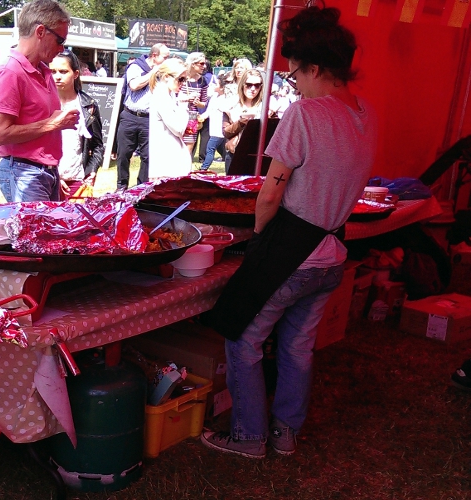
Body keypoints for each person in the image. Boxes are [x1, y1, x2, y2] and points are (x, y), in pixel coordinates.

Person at [201, 5, 377, 459]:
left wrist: (258, 240)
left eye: (295, 71)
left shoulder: (306, 113)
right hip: (334, 251)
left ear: (315, 67)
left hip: (293, 253)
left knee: (243, 340)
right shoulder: (365, 113)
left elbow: (269, 194)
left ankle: (249, 436)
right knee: (298, 347)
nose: (293, 80)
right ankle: (285, 433)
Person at [0, 0, 79, 203]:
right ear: (40, 31)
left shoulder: (44, 71)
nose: (62, 48)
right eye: (59, 41)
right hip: (24, 172)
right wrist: (53, 124)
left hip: (44, 172)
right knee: (35, 235)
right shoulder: (10, 72)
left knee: (48, 234)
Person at [49, 50, 104, 198]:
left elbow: (98, 145)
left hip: (78, 180)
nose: (57, 76)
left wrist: (92, 170)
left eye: (63, 71)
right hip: (49, 179)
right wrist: (54, 174)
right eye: (53, 71)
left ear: (76, 73)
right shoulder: (44, 104)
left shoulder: (89, 105)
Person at [115, 43, 170, 190]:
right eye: (165, 57)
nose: (167, 60)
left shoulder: (164, 72)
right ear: (154, 56)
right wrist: (154, 72)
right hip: (130, 116)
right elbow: (134, 85)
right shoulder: (136, 66)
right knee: (124, 154)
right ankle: (121, 186)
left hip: (149, 119)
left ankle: (142, 188)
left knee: (148, 156)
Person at [148, 58, 192, 180]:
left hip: (171, 164)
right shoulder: (161, 96)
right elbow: (178, 129)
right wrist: (184, 106)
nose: (183, 83)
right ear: (167, 76)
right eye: (180, 79)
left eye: (185, 79)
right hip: (166, 166)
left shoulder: (169, 95)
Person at [222, 67, 264, 173]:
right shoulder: (230, 105)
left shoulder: (267, 106)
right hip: (235, 154)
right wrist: (241, 122)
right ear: (242, 85)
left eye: (257, 85)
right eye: (249, 85)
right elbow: (226, 132)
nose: (253, 89)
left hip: (258, 156)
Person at [180, 52, 209, 158]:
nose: (204, 66)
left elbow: (204, 103)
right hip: (179, 113)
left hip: (192, 116)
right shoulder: (181, 77)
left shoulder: (202, 81)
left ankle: (185, 170)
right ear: (193, 64)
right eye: (201, 64)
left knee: (189, 145)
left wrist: (198, 103)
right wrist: (186, 99)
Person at [199, 74, 227, 171]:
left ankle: (204, 168)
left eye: (217, 84)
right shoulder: (214, 96)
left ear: (222, 87)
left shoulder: (226, 99)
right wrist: (200, 117)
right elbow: (208, 111)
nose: (214, 85)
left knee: (210, 149)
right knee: (221, 150)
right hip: (213, 129)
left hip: (219, 131)